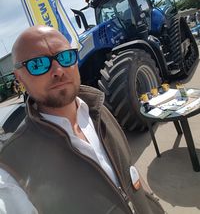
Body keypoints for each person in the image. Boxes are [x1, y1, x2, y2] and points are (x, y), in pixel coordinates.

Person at [0, 25, 165, 214]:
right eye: (38, 64)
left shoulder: (99, 110)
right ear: (20, 79)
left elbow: (129, 171)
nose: (58, 70)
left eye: (65, 57)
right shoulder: (12, 170)